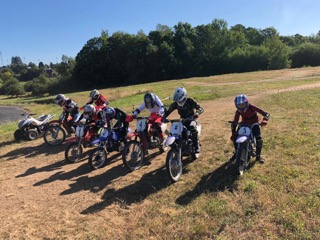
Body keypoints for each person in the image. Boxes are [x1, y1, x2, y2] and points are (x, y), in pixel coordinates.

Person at [162, 87, 204, 153]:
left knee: (192, 127)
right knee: (175, 132)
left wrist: (197, 113)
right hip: (182, 120)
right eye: (178, 100)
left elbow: (200, 108)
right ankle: (178, 146)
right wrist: (163, 117)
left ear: (184, 96)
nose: (179, 101)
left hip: (192, 119)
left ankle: (196, 146)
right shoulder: (175, 104)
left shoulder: (190, 101)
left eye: (180, 100)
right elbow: (168, 111)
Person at [230, 94, 270, 163]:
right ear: (236, 105)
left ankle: (258, 156)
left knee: (259, 139)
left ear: (247, 103)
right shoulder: (238, 111)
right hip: (244, 124)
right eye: (239, 105)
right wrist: (233, 132)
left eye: (243, 104)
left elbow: (266, 114)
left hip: (254, 123)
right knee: (235, 137)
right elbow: (235, 121)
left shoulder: (252, 107)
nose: (241, 106)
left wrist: (264, 120)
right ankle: (237, 152)